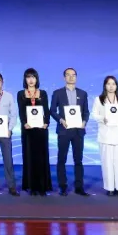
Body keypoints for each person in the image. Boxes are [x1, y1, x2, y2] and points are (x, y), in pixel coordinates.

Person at [49, 67, 91, 196]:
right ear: (64, 78)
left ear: (76, 77)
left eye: (74, 75)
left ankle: (79, 187)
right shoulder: (58, 93)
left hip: (78, 131)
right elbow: (52, 111)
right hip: (64, 130)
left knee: (78, 160)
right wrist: (61, 120)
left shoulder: (83, 93)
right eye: (68, 75)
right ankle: (63, 186)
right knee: (62, 159)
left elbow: (86, 112)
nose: (71, 77)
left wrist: (84, 122)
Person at [18, 68, 53, 196]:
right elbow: (21, 111)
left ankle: (42, 187)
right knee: (29, 157)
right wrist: (24, 123)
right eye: (28, 77)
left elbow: (46, 110)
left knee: (42, 157)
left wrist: (46, 122)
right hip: (28, 130)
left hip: (41, 129)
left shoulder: (42, 93)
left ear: (37, 79)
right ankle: (31, 186)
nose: (31, 80)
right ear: (25, 79)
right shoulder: (21, 94)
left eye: (33, 77)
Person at [92, 75, 118, 196]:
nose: (111, 86)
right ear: (105, 86)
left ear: (116, 86)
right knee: (107, 162)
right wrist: (103, 118)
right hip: (105, 134)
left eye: (113, 84)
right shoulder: (99, 99)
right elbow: (94, 114)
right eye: (108, 84)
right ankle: (110, 188)